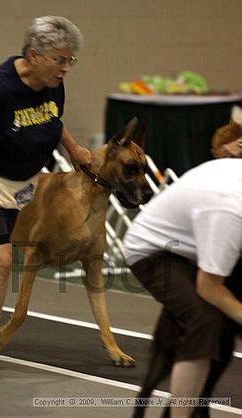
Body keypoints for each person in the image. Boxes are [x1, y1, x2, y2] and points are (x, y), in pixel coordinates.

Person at [0, 16, 92, 379]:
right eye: (60, 59)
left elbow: (53, 118)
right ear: (34, 55)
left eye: (70, 60)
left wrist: (72, 148)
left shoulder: (51, 83)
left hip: (13, 184)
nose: (66, 68)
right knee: (1, 260)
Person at [123, 157, 242, 418]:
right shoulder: (230, 210)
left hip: (196, 243)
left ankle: (194, 409)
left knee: (222, 335)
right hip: (153, 249)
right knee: (205, 320)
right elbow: (209, 287)